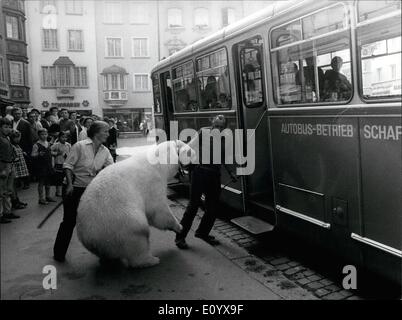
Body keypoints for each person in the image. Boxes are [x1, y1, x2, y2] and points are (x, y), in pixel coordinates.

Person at [53, 121, 114, 262]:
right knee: (69, 221)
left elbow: (112, 169)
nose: (108, 133)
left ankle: (104, 254)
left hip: (91, 190)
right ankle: (59, 254)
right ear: (96, 132)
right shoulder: (80, 146)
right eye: (105, 131)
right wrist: (69, 184)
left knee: (100, 221)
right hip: (74, 188)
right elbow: (68, 165)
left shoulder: (105, 151)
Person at [175, 115, 237, 249]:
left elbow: (224, 157)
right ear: (212, 125)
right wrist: (182, 164)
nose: (218, 129)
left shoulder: (225, 138)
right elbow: (188, 148)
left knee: (213, 207)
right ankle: (180, 237)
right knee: (193, 206)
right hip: (200, 172)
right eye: (216, 126)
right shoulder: (203, 132)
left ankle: (202, 232)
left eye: (221, 127)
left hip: (214, 174)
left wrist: (231, 172)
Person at [0, 118, 19, 223]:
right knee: (1, 192)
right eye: (5, 127)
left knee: (8, 190)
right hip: (3, 166)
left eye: (9, 127)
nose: (8, 129)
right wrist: (2, 169)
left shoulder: (6, 137)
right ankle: (1, 214)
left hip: (9, 165)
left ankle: (7, 211)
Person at [31, 128, 55, 205]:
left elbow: (50, 154)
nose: (44, 136)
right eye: (42, 134)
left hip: (48, 165)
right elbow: (32, 155)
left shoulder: (48, 143)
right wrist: (38, 154)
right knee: (41, 182)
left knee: (48, 182)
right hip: (41, 166)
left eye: (45, 134)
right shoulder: (36, 145)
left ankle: (48, 196)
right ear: (39, 135)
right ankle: (41, 198)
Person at [11, 107, 33, 189]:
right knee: (16, 165)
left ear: (21, 114)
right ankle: (18, 182)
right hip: (13, 146)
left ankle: (26, 182)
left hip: (24, 146)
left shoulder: (26, 123)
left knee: (25, 165)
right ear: (12, 114)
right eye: (16, 113)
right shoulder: (11, 122)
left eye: (19, 113)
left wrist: (29, 150)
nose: (17, 115)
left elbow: (29, 138)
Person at [9, 130, 28, 210]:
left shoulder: (17, 145)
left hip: (19, 167)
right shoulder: (11, 146)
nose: (17, 139)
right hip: (15, 167)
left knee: (16, 185)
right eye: (15, 138)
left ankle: (17, 200)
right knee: (13, 186)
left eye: (18, 137)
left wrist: (22, 153)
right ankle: (14, 202)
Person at [51, 131, 71, 197]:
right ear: (59, 137)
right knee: (59, 178)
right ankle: (58, 192)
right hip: (59, 163)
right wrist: (56, 153)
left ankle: (65, 190)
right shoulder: (56, 145)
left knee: (66, 177)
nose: (64, 139)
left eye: (66, 137)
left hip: (66, 163)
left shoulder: (68, 145)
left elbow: (71, 152)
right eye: (63, 137)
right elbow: (50, 151)